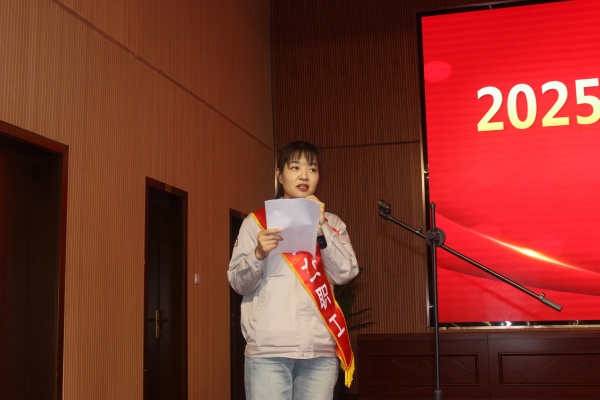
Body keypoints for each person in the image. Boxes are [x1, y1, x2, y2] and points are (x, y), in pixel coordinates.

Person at [228, 141, 359, 400]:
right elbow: (238, 284)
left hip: (319, 352)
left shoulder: (332, 223)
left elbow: (345, 273)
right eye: (295, 167)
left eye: (312, 169)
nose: (304, 176)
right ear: (280, 175)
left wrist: (322, 231)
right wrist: (258, 254)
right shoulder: (256, 223)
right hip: (269, 352)